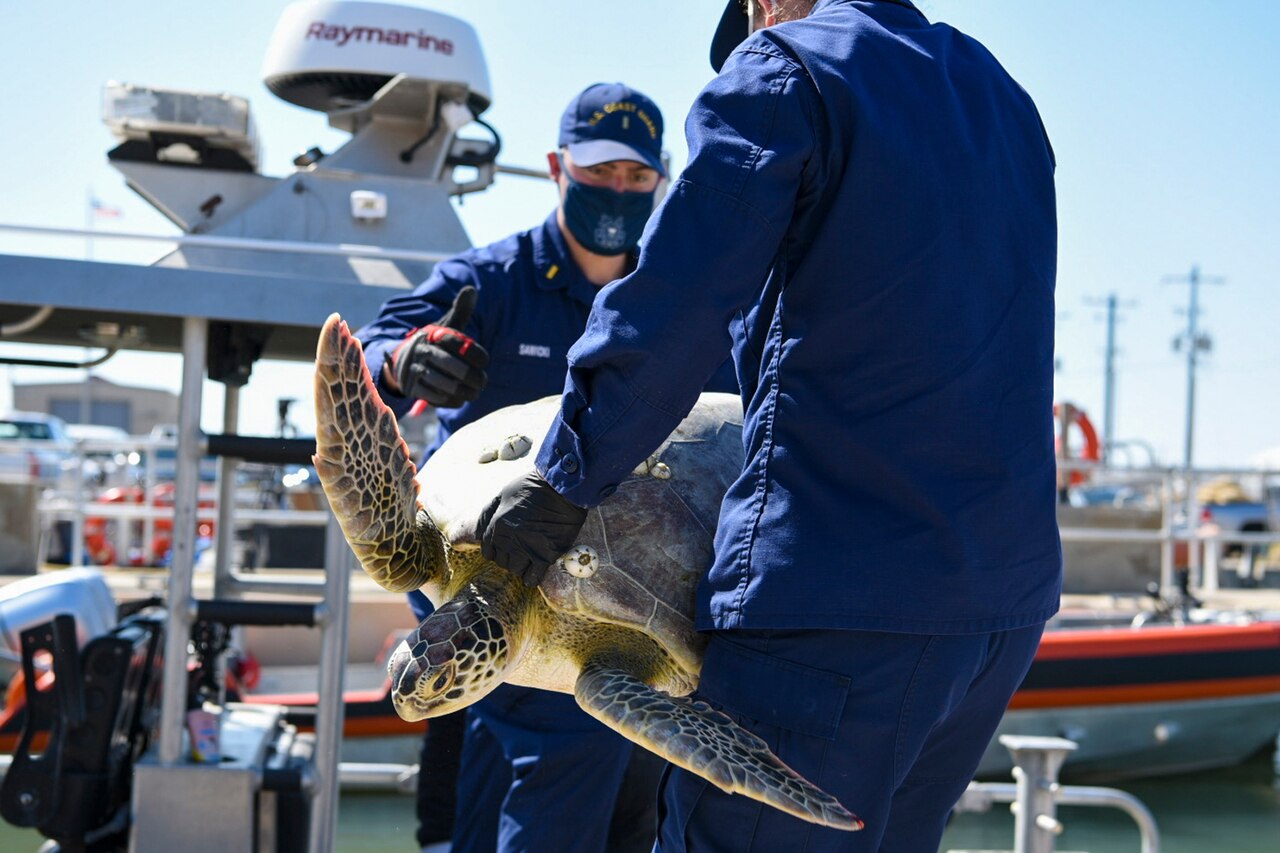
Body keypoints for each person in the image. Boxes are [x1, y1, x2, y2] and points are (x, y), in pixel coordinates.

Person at [477, 2, 1062, 851]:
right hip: (996, 611)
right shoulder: (1002, 97)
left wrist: (562, 479)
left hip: (838, 601)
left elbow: (672, 309)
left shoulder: (787, 71)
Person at [355, 82, 737, 853]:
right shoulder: (492, 283)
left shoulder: (676, 304)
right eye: (599, 173)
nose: (618, 192)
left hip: (630, 597)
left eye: (635, 177)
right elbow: (371, 348)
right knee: (556, 781)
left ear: (661, 178)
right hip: (486, 588)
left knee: (614, 796)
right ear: (558, 167)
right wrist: (407, 360)